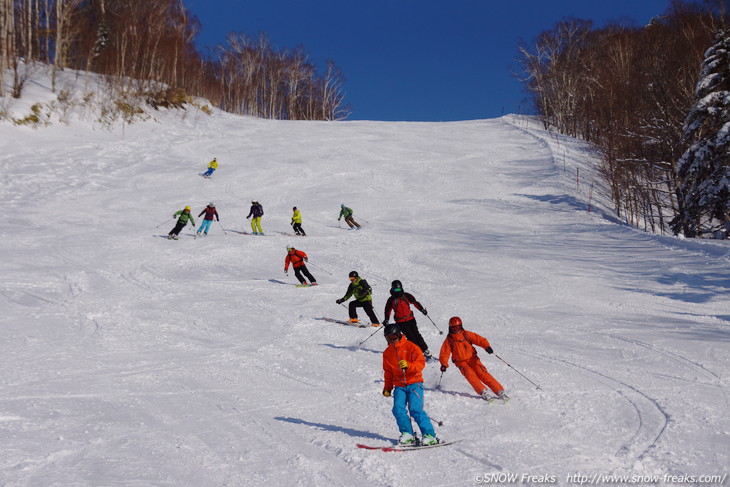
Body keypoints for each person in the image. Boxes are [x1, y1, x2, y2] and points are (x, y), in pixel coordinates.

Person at [382, 323, 439, 446]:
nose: (392, 340)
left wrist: (409, 366)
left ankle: (429, 435)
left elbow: (420, 364)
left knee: (415, 409)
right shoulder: (387, 353)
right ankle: (407, 434)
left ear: (399, 334)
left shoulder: (411, 347)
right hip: (399, 386)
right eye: (389, 338)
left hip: (414, 383)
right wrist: (387, 388)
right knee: (398, 409)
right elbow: (388, 372)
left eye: (394, 336)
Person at [438, 317, 509, 402]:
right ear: (450, 328)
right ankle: (482, 391)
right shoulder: (449, 340)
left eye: (458, 327)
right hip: (460, 363)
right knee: (470, 375)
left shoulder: (466, 334)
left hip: (472, 358)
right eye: (454, 328)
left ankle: (499, 390)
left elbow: (479, 339)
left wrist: (486, 346)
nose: (456, 329)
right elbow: (444, 353)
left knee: (482, 373)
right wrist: (444, 364)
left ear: (461, 326)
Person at [382, 280, 432, 359]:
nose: (397, 292)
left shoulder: (406, 296)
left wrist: (422, 310)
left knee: (417, 335)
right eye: (395, 290)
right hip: (400, 322)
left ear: (401, 288)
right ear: (392, 289)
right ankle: (416, 352)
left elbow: (415, 303)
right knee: (410, 337)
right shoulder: (391, 299)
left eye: (399, 290)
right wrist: (386, 319)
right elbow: (387, 310)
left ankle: (425, 350)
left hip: (411, 319)